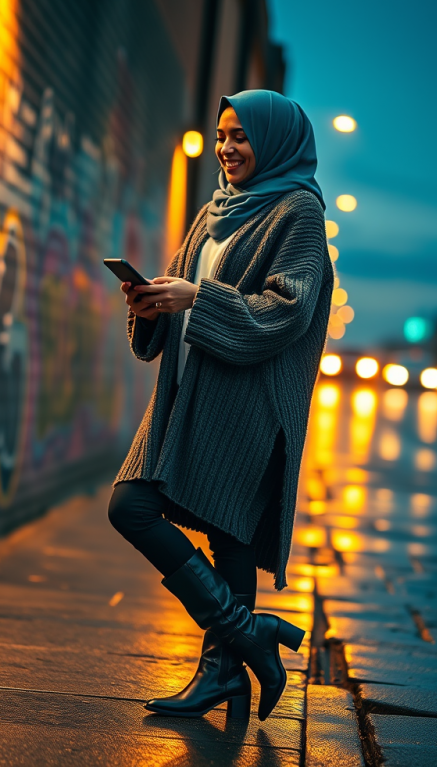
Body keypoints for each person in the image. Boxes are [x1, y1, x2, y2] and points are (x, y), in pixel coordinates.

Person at [107, 89, 333, 721]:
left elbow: (286, 310)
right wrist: (152, 302)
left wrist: (195, 299)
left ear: (275, 141)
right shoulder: (215, 211)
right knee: (166, 518)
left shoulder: (297, 214)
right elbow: (182, 292)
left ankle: (228, 658)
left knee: (162, 514)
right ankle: (238, 652)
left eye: (241, 137)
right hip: (185, 397)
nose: (227, 149)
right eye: (221, 136)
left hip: (243, 408)